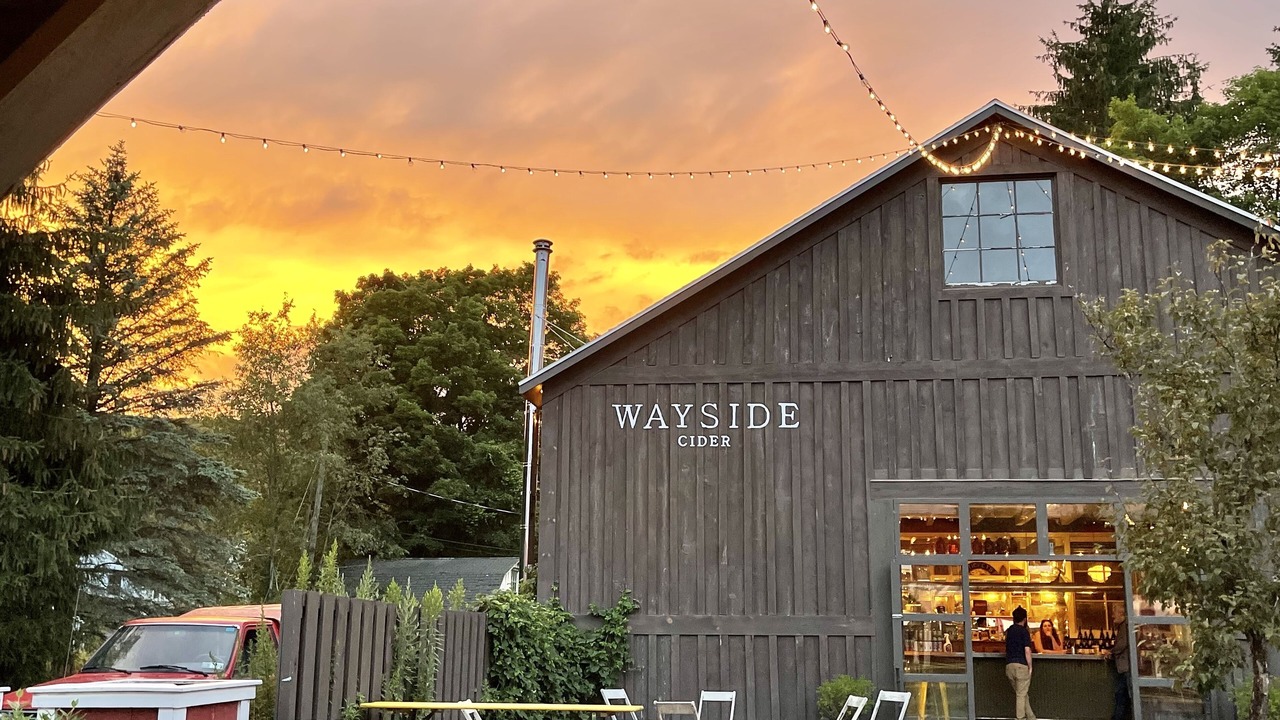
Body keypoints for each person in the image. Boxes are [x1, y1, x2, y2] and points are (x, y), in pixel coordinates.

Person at [1005, 606, 1036, 720]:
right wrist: (1030, 666)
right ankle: (1020, 718)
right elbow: (1027, 650)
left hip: (1009, 666)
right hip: (1021, 666)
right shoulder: (1024, 632)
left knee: (1022, 694)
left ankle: (1031, 717)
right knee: (1021, 694)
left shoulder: (1009, 631)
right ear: (1025, 618)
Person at [1109, 607, 1131, 720]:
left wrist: (1111, 652)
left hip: (1125, 667)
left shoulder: (1125, 627)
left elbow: (1122, 644)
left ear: (1121, 614)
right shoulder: (1124, 626)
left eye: (1114, 613)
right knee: (1122, 694)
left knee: (1121, 695)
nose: (1113, 616)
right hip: (1126, 666)